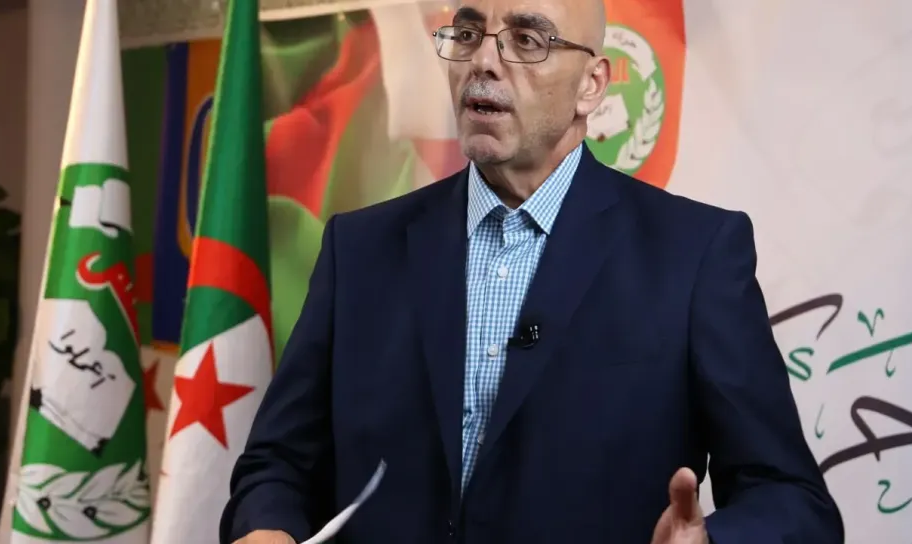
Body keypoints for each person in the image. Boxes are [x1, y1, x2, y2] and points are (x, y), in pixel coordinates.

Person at [221, 0, 845, 541]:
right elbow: (277, 462)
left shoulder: (694, 256)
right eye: (469, 33)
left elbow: (791, 499)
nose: (484, 62)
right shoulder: (358, 250)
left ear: (591, 86)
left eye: (526, 39)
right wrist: (265, 527)